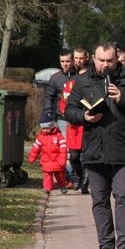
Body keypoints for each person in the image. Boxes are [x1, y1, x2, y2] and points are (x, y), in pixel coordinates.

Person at [64, 41, 125, 249]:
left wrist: (123, 99)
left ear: (117, 59)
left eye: (109, 61)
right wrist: (84, 117)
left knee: (123, 195)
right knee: (99, 199)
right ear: (94, 58)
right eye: (101, 61)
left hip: (123, 147)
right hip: (94, 149)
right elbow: (69, 110)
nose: (105, 65)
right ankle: (105, 245)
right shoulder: (83, 81)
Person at [43, 49, 76, 184]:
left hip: (79, 118)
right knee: (66, 148)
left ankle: (78, 174)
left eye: (68, 61)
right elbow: (49, 97)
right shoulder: (56, 78)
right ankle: (69, 177)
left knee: (76, 150)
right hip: (62, 118)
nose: (65, 64)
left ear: (73, 61)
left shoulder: (79, 76)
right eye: (62, 61)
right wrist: (48, 112)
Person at [67, 47, 90, 194]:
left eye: (81, 58)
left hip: (87, 120)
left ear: (86, 58)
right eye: (76, 58)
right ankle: (79, 176)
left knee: (87, 155)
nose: (78, 61)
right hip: (73, 122)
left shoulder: (91, 75)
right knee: (74, 156)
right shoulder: (68, 76)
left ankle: (86, 181)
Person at [28, 112, 68, 195]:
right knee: (47, 176)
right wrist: (32, 158)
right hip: (46, 160)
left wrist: (62, 160)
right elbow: (36, 148)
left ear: (52, 126)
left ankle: (62, 186)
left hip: (57, 161)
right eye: (43, 128)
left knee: (60, 176)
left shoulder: (58, 136)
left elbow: (63, 149)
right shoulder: (41, 137)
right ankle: (47, 188)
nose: (45, 130)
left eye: (47, 128)